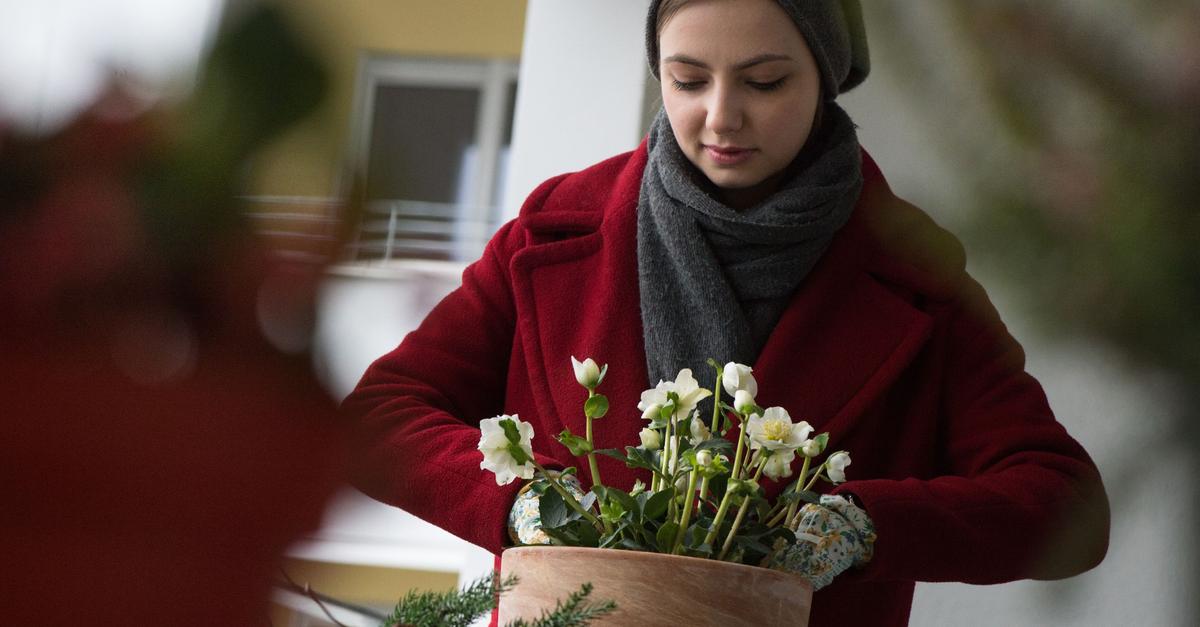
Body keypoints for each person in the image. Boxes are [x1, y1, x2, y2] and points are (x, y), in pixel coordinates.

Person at [342, 1, 1110, 625]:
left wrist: (862, 524)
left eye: (765, 82)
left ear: (825, 76)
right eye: (686, 79)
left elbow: (1066, 501)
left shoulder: (913, 276)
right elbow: (376, 418)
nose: (720, 117)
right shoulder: (552, 232)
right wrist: (520, 502)